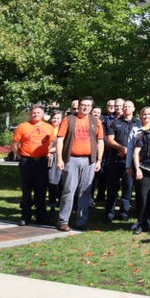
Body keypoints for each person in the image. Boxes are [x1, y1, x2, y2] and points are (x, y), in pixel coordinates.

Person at [55, 97, 104, 232]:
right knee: (69, 190)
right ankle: (63, 221)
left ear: (91, 107)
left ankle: (81, 222)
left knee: (85, 192)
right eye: (83, 105)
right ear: (78, 106)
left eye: (88, 105)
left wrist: (99, 160)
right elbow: (60, 140)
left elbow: (100, 142)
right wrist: (59, 159)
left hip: (89, 160)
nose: (85, 107)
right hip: (71, 159)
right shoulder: (68, 119)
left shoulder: (96, 121)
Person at [12, 105, 55, 226]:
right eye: (33, 112)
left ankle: (41, 216)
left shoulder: (48, 127)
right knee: (26, 190)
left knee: (41, 190)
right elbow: (15, 143)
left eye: (38, 112)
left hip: (41, 161)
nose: (35, 114)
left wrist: (48, 153)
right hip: (27, 161)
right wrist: (19, 155)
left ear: (43, 114)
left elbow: (51, 142)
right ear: (30, 114)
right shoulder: (22, 127)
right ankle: (26, 216)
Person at [105, 100, 139, 224]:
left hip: (130, 162)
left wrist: (129, 152)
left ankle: (124, 213)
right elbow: (109, 140)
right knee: (112, 188)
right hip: (115, 160)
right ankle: (109, 214)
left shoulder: (138, 124)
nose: (126, 108)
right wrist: (121, 148)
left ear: (133, 108)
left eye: (129, 106)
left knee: (128, 188)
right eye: (124, 107)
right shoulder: (115, 123)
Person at [46, 110, 64, 214]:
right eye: (54, 117)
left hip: (58, 157)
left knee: (57, 182)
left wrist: (53, 150)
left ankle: (57, 203)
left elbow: (65, 144)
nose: (55, 120)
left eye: (58, 118)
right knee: (48, 181)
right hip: (45, 157)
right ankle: (50, 204)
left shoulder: (63, 130)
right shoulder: (47, 128)